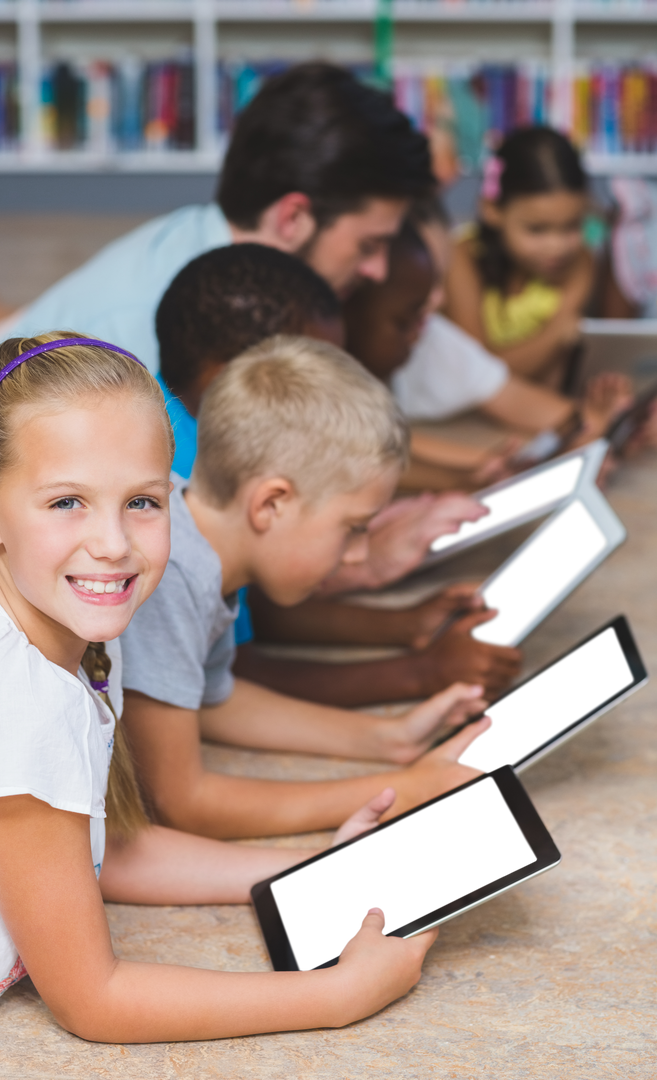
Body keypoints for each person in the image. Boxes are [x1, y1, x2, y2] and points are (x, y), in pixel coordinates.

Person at [0, 330, 469, 1035]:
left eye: (143, 502)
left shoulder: (76, 623)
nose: (115, 542)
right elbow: (92, 999)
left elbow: (107, 849)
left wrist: (317, 866)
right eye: (67, 502)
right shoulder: (15, 697)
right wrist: (340, 996)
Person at [0, 61, 433, 593]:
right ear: (292, 218)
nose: (378, 271)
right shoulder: (158, 342)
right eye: (368, 244)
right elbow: (179, 560)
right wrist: (359, 562)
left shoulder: (207, 253)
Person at [120, 335, 493, 841]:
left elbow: (211, 698)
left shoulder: (202, 550)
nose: (360, 554)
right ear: (270, 504)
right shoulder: (170, 573)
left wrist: (389, 740)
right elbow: (182, 801)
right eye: (353, 527)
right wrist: (401, 791)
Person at [156, 242, 522, 703]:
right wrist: (418, 674)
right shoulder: (177, 476)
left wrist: (404, 625)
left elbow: (252, 613)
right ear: (246, 377)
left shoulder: (172, 421)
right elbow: (232, 674)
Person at [344, 203, 635, 491]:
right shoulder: (325, 375)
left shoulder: (430, 337)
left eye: (439, 279)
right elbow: (361, 452)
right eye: (418, 291)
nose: (439, 301)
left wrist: (606, 424)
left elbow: (394, 445)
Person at [444, 126, 598, 388]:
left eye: (572, 226)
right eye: (537, 230)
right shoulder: (460, 257)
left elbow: (553, 377)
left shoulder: (581, 262)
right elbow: (476, 375)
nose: (557, 247)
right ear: (492, 209)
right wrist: (556, 335)